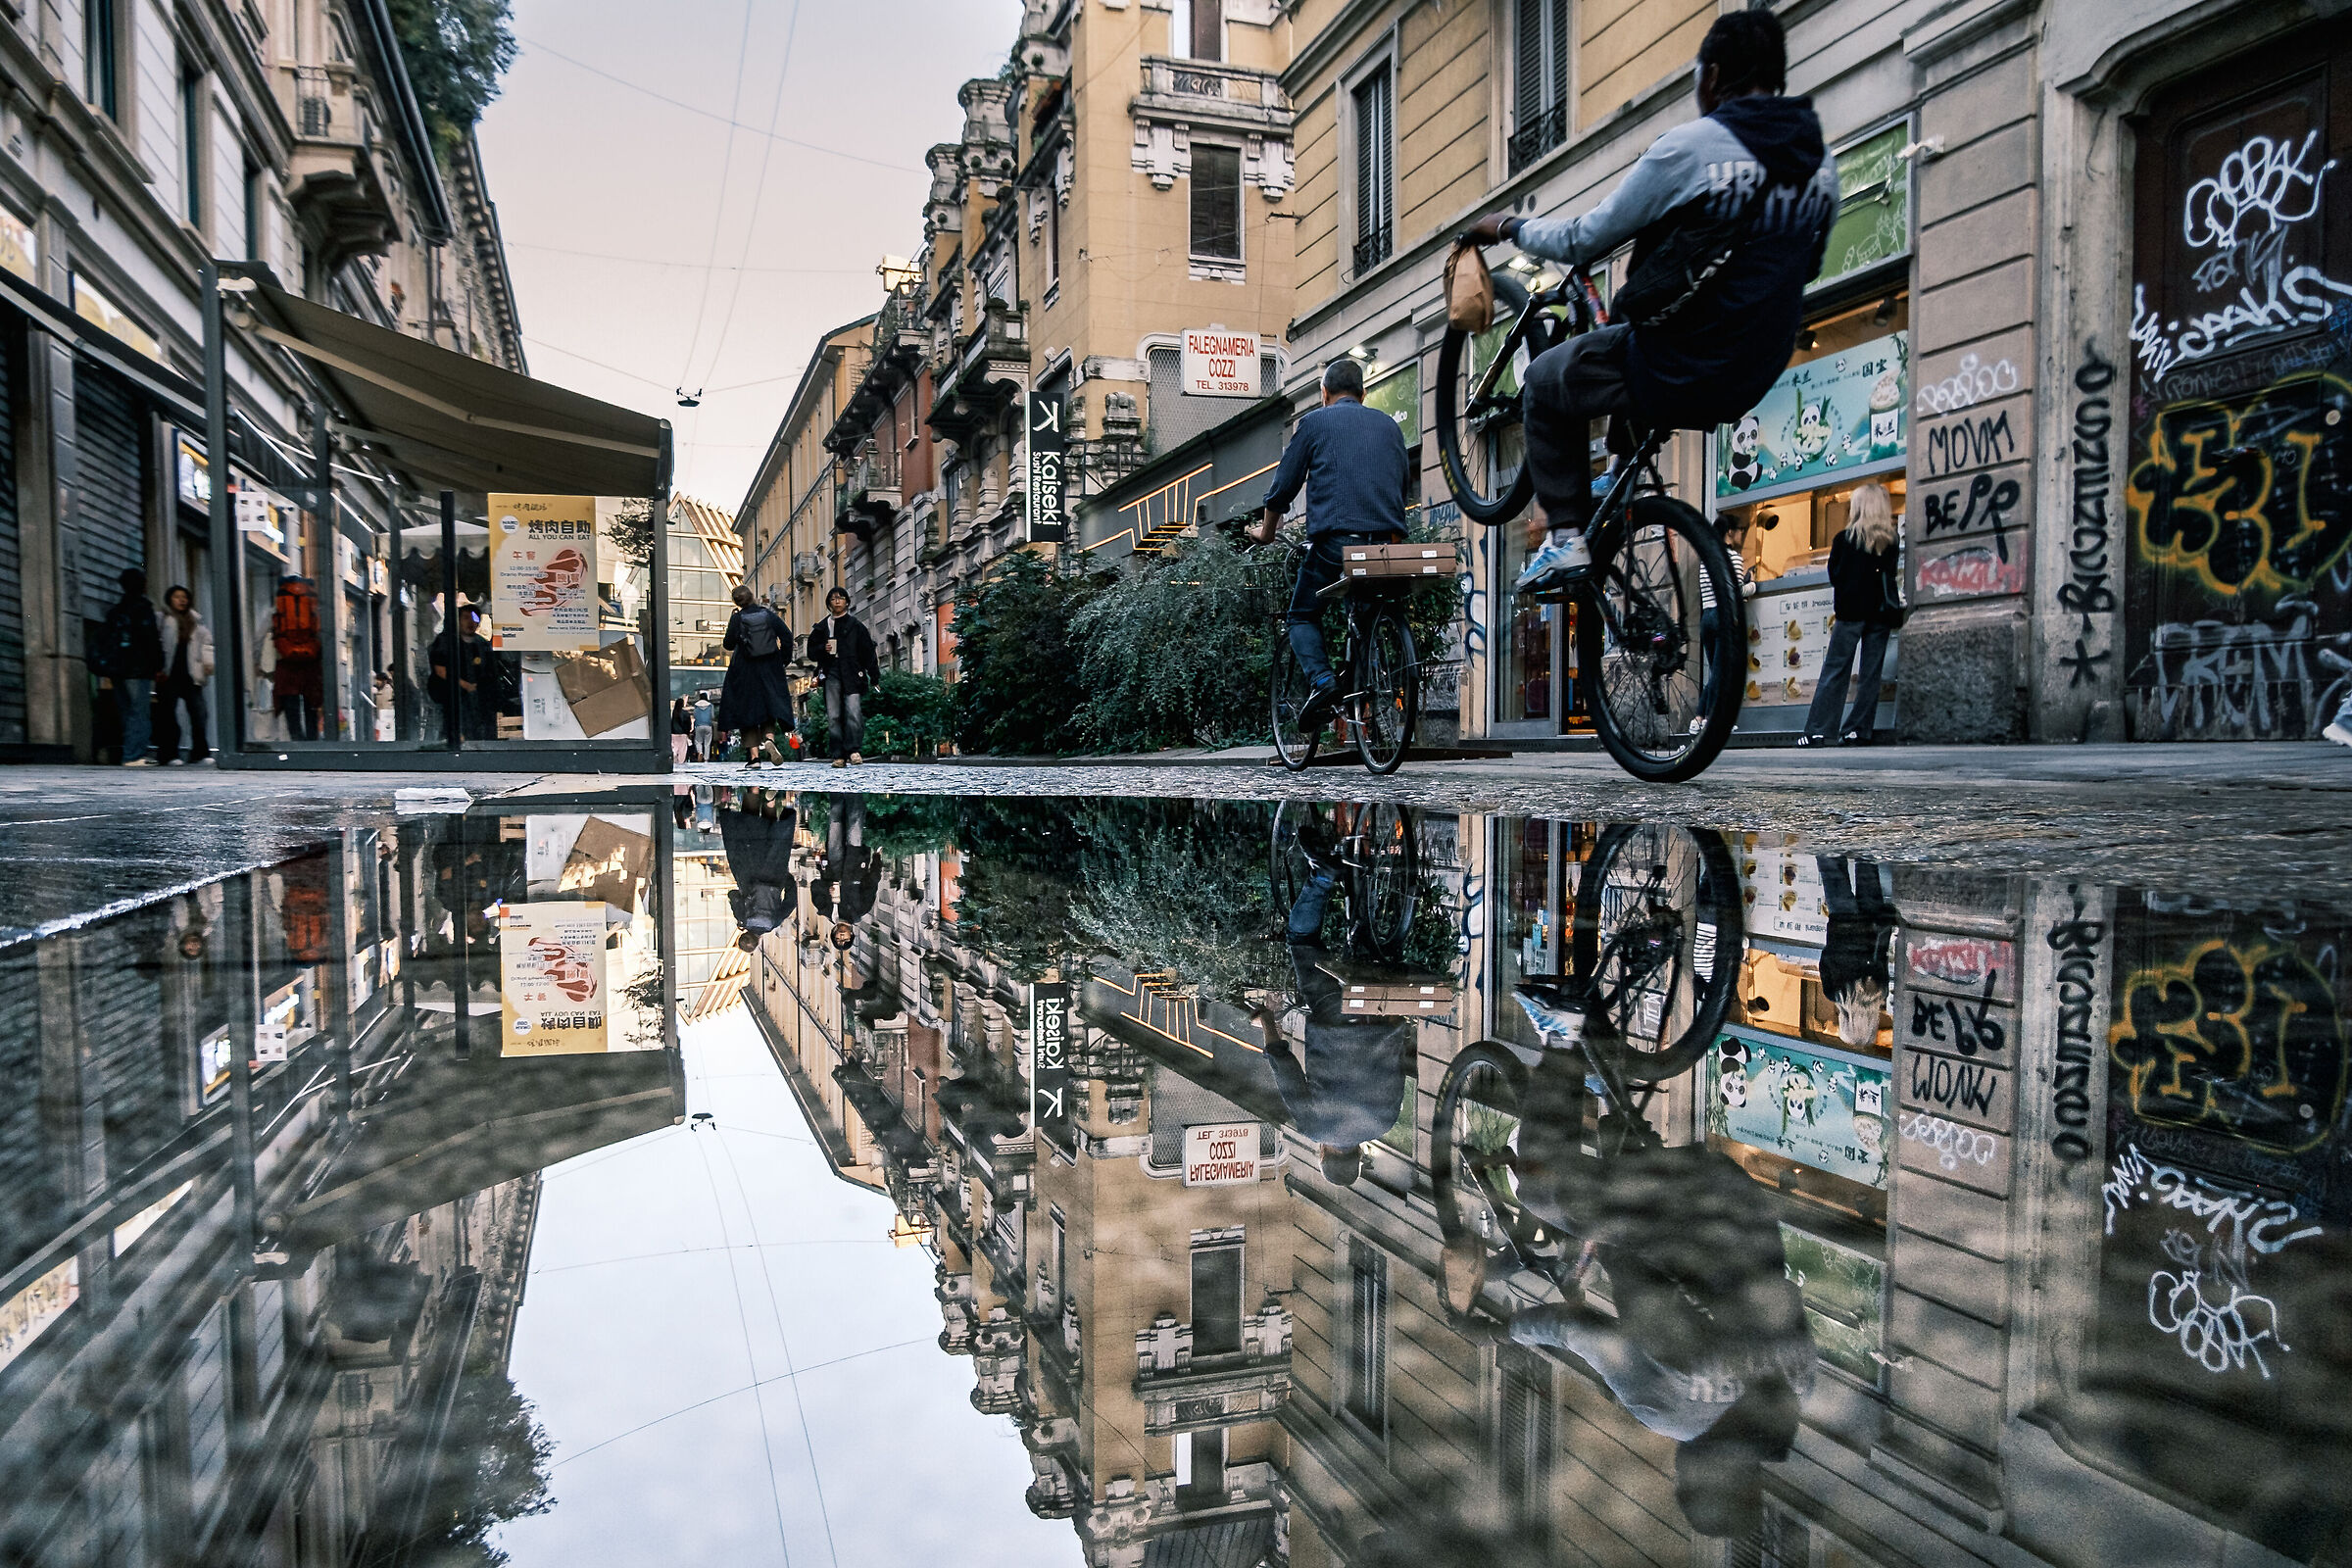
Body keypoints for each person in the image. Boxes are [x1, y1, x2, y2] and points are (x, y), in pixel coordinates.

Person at [1463, 11, 1838, 597]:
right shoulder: (1822, 169)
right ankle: (1619, 481)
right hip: (1753, 373)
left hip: (1676, 362)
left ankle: (1563, 540)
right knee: (1623, 346)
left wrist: (1510, 225)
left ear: (1712, 76)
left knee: (1544, 381)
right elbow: (1804, 269)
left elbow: (1582, 238)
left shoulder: (1693, 149)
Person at [1250, 822, 1415, 1187]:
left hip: (1383, 1013)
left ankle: (1366, 873)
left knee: (1369, 953)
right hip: (1334, 1012)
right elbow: (1283, 1065)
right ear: (1324, 1152)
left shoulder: (1385, 1123)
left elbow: (1399, 1068)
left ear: (1359, 1154)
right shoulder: (1314, 1127)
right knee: (1301, 938)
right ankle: (1323, 877)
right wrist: (1265, 1020)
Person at [1252, 358, 1409, 729]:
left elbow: (1283, 488)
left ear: (1324, 393)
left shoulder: (1314, 423)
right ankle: (1368, 674)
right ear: (1363, 393)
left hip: (1335, 543)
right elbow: (1401, 481)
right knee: (1367, 607)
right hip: (1383, 545)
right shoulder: (1389, 426)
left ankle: (1323, 682)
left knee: (1302, 614)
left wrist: (1266, 532)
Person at [1799, 483, 1901, 746]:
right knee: (1871, 675)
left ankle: (1820, 731)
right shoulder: (1890, 541)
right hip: (1880, 614)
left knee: (1836, 670)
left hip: (1850, 612)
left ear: (1858, 507)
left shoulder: (1844, 540)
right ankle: (1858, 729)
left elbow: (1835, 575)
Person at [1815, 856, 1896, 1047]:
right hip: (1844, 923)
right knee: (1832, 869)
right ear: (1846, 1023)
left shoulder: (1880, 992)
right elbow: (1825, 959)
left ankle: (1866, 827)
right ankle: (1825, 832)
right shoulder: (1834, 992)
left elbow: (1882, 954)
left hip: (1872, 922)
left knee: (1866, 865)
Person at [719, 583, 795, 766]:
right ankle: (769, 739)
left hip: (744, 669)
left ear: (736, 602)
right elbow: (786, 636)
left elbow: (728, 644)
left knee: (747, 711)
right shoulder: (768, 615)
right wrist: (782, 660)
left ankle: (754, 757)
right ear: (753, 597)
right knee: (769, 706)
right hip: (770, 667)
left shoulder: (738, 618)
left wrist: (734, 624)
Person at [96, 568, 165, 764]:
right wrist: (158, 664)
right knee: (139, 712)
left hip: (118, 669)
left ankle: (132, 752)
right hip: (138, 669)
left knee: (127, 712)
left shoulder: (116, 611)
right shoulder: (142, 608)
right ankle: (134, 755)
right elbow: (150, 639)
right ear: (142, 584)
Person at [1695, 514, 1757, 732]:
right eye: (1740, 529)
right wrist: (1753, 586)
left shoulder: (1707, 558)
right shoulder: (1735, 558)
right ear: (1730, 532)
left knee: (1716, 671)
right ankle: (1714, 720)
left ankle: (1700, 718)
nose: (1742, 534)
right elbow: (1736, 591)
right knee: (1722, 672)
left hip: (1707, 618)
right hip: (1724, 618)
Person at [808, 587, 881, 767]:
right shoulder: (822, 627)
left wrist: (874, 677)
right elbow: (811, 651)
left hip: (852, 672)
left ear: (847, 602)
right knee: (833, 715)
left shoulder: (856, 625)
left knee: (853, 712)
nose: (837, 601)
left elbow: (868, 652)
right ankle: (838, 755)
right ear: (829, 603)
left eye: (841, 598)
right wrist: (822, 649)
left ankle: (854, 751)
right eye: (833, 599)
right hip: (832, 671)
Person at [719, 787, 799, 950]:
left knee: (773, 838)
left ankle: (770, 802)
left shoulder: (773, 922)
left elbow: (791, 901)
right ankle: (754, 790)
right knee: (749, 827)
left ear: (759, 941)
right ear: (742, 934)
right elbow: (733, 895)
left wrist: (787, 879)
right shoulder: (743, 918)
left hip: (774, 874)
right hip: (748, 872)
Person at [153, 585, 214, 764]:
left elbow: (207, 645)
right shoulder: (162, 619)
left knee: (199, 715)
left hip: (190, 675)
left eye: (184, 596)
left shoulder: (196, 621)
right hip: (168, 674)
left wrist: (208, 664)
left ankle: (200, 753)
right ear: (169, 599)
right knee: (168, 716)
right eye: (177, 596)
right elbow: (155, 645)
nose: (181, 600)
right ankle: (169, 754)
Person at [427, 602, 499, 741]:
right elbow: (441, 671)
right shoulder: (445, 641)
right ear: (458, 620)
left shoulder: (482, 644)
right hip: (451, 699)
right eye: (466, 618)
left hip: (478, 702)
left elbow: (491, 673)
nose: (471, 622)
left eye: (475, 618)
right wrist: (465, 685)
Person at [270, 572, 323, 740]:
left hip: (287, 661)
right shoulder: (313, 605)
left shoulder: (278, 606)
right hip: (311, 661)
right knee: (311, 704)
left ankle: (297, 740)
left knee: (290, 703)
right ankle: (312, 741)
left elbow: (262, 636)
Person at [691, 691, 715, 762]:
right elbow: (712, 716)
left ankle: (700, 752)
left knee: (698, 741)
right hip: (708, 725)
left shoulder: (696, 705)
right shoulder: (710, 705)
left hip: (699, 725)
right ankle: (706, 758)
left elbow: (695, 715)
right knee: (707, 743)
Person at [669, 697, 692, 764]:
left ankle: (674, 760)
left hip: (674, 734)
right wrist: (688, 732)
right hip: (683, 734)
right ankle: (681, 762)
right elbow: (688, 724)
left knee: (675, 748)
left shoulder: (674, 712)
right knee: (682, 749)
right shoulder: (686, 713)